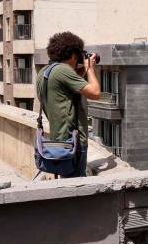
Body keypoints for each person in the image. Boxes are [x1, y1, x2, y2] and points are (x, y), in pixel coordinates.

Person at [36, 31, 101, 177]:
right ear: (73, 55)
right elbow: (95, 93)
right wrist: (90, 70)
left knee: (66, 183)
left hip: (58, 141)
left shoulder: (44, 72)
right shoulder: (63, 70)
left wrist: (81, 72)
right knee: (77, 185)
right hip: (74, 142)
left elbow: (64, 92)